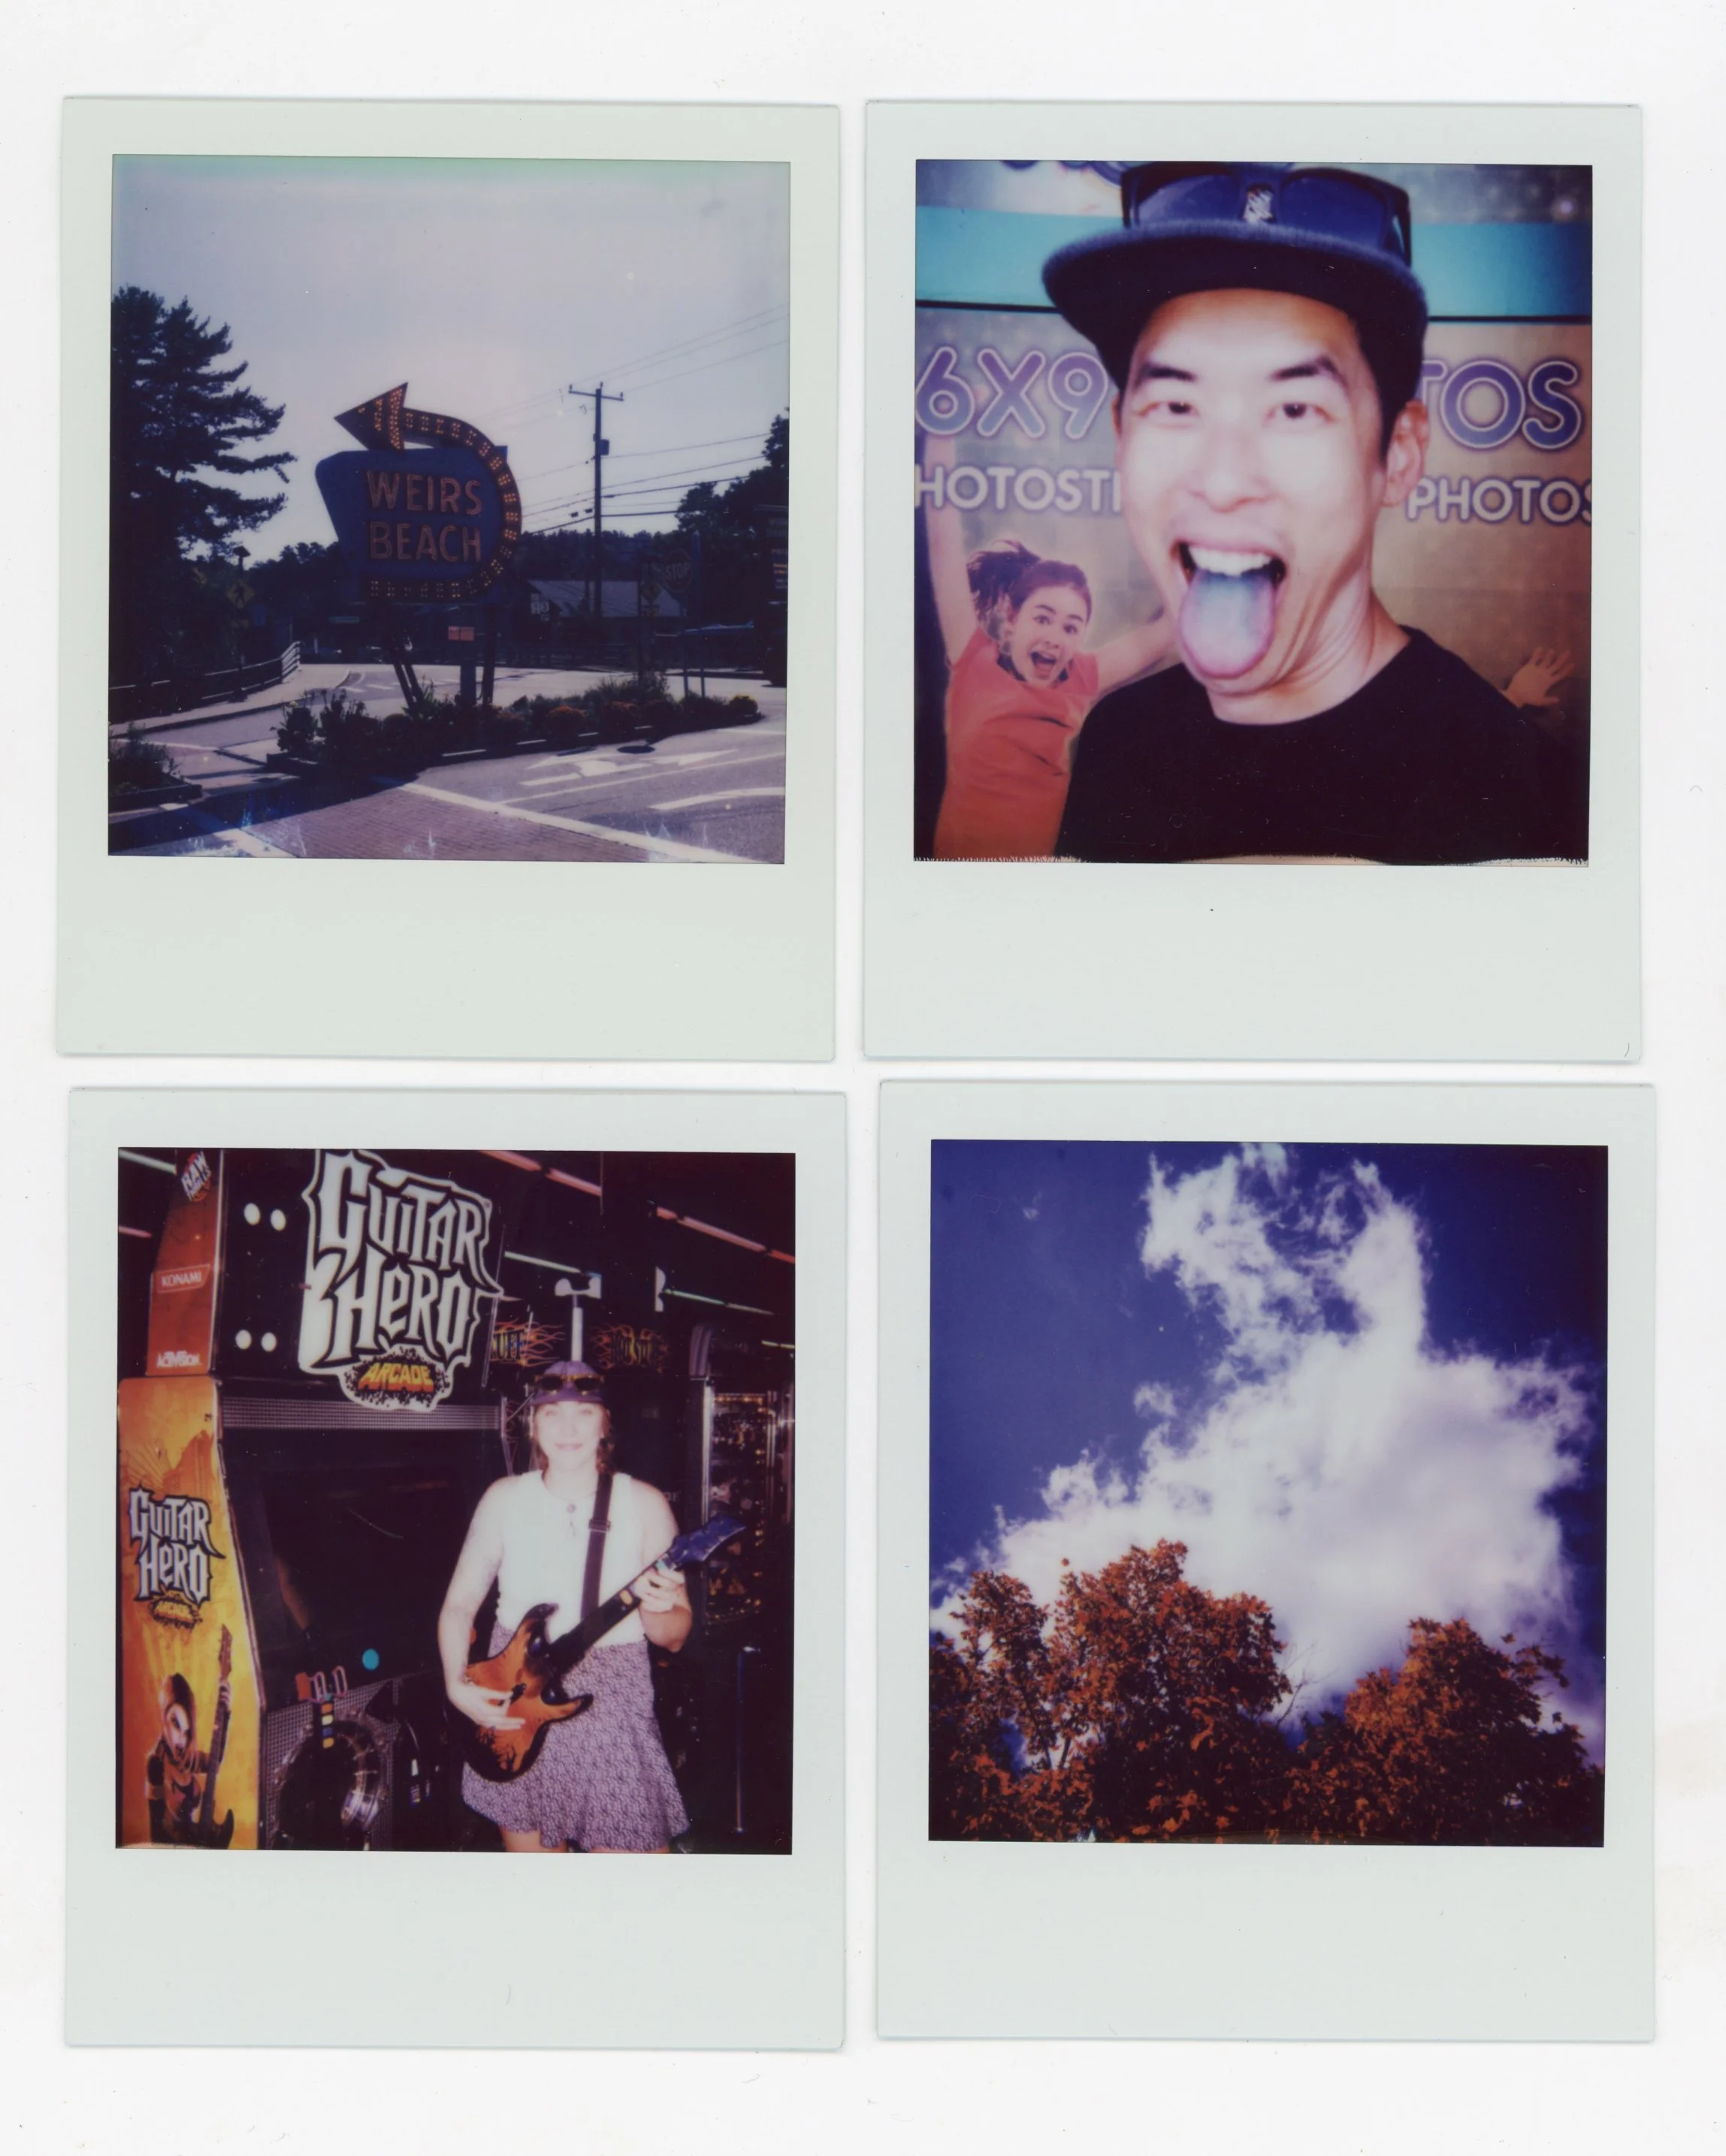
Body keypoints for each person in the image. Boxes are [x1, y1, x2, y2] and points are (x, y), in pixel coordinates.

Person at [1040, 162, 1584, 863]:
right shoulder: (1119, 739)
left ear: (1400, 453)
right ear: (1120, 434)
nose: (1224, 481)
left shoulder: (1522, 797)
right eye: (1176, 406)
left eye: (1295, 410)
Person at [439, 1361, 692, 1853]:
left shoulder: (643, 1503)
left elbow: (673, 1635)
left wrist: (661, 1606)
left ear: (605, 1424)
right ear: (533, 1424)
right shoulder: (504, 1499)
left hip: (613, 1699)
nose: (568, 1428)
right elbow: (459, 1605)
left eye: (583, 1413)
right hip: (516, 1687)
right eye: (552, 1414)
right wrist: (455, 1684)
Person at [924, 430, 1171, 858]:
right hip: (960, 874)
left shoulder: (1082, 676)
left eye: (1072, 627)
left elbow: (1165, 633)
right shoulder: (973, 660)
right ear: (1013, 620)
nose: (1056, 637)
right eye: (1043, 618)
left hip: (1038, 875)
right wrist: (940, 431)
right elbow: (943, 539)